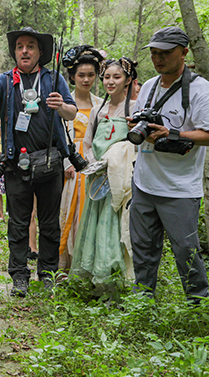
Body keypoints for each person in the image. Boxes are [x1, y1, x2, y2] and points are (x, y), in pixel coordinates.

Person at [129, 27, 209, 303]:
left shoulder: (200, 90)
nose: (158, 59)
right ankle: (142, 302)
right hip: (144, 182)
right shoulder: (148, 86)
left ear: (184, 52)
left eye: (166, 53)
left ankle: (198, 304)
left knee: (187, 251)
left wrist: (175, 134)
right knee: (143, 248)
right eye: (154, 53)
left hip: (179, 188)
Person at [0, 28, 77, 297]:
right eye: (20, 46)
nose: (24, 50)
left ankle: (47, 274)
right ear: (14, 52)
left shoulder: (53, 79)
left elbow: (72, 112)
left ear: (40, 53)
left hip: (50, 161)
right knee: (18, 223)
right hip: (15, 164)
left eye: (30, 46)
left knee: (48, 223)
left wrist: (61, 106)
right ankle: (19, 276)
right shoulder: (5, 79)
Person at [70, 58, 138, 292]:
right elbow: (87, 144)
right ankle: (93, 280)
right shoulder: (99, 110)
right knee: (94, 224)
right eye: (107, 77)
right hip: (98, 178)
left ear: (128, 80)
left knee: (116, 227)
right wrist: (93, 164)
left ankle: (117, 281)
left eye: (116, 77)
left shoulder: (135, 108)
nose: (110, 81)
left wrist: (115, 162)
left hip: (121, 180)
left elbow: (136, 145)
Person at [58, 46, 104, 271]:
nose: (86, 79)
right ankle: (65, 265)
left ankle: (87, 265)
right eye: (81, 75)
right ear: (72, 77)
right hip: (70, 164)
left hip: (94, 164)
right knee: (67, 211)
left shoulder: (101, 104)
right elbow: (59, 133)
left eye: (91, 75)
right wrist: (66, 162)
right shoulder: (66, 104)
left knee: (90, 212)